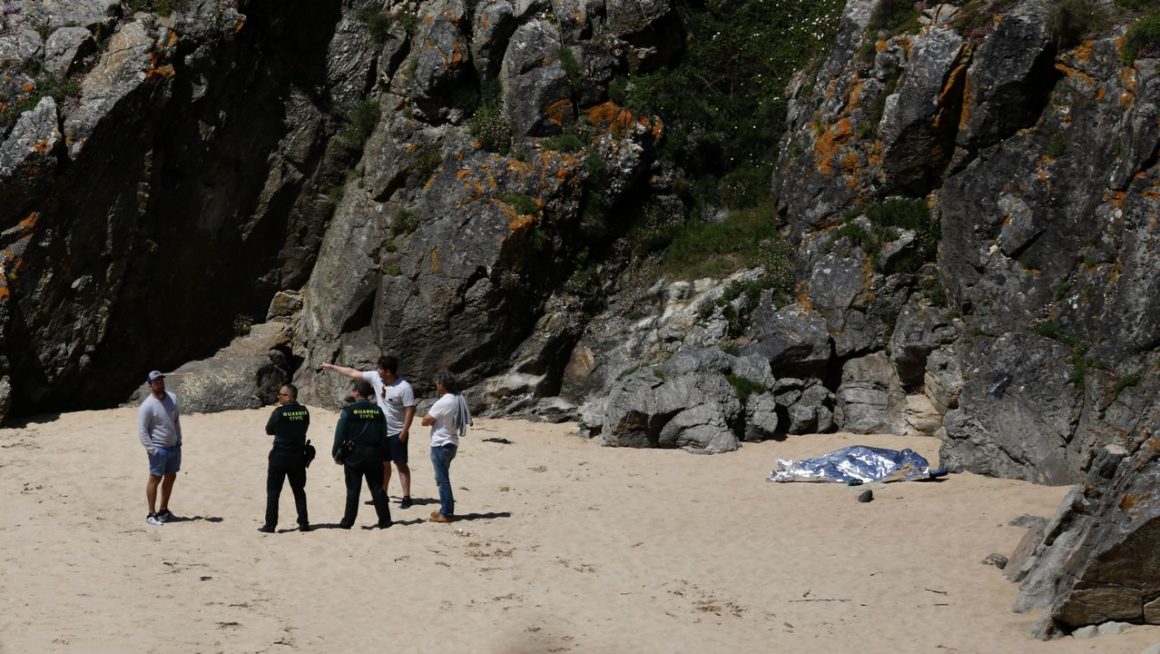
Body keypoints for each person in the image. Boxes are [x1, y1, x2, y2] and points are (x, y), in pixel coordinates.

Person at [319, 356, 416, 508]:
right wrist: (332, 367)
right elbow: (352, 373)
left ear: (388, 371)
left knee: (401, 464)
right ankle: (383, 494)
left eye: (380, 368)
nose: (377, 370)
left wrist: (404, 431)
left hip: (397, 432)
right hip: (381, 432)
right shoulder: (376, 377)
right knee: (383, 464)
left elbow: (410, 410)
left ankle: (406, 497)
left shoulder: (404, 387)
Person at [333, 379, 392, 529]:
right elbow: (383, 434)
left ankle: (348, 521)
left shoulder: (348, 411)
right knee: (377, 488)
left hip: (353, 455)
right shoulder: (377, 411)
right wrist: (382, 454)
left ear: (357, 392)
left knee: (353, 489)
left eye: (353, 390)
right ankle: (385, 520)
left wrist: (336, 453)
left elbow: (339, 435)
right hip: (374, 454)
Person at [420, 371, 471, 524]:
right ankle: (444, 509)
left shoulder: (444, 401)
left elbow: (425, 421)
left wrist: (429, 421)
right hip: (451, 443)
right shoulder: (458, 399)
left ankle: (447, 513)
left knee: (442, 479)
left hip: (441, 444)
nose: (436, 385)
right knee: (442, 477)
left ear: (442, 385)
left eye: (438, 383)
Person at [260, 384, 311, 533]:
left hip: (280, 455)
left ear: (288, 396)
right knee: (299, 490)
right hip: (297, 456)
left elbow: (269, 430)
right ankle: (304, 523)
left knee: (273, 492)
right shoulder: (304, 411)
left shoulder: (279, 412)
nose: (279, 397)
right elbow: (305, 427)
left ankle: (270, 525)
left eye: (281, 395)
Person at [137, 370, 182, 526]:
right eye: (156, 382)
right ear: (150, 385)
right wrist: (152, 449)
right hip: (158, 448)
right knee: (155, 478)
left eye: (161, 380)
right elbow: (142, 431)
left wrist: (179, 440)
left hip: (174, 446)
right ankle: (151, 513)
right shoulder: (147, 406)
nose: (160, 383)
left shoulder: (172, 398)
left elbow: (176, 421)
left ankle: (163, 510)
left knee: (171, 476)